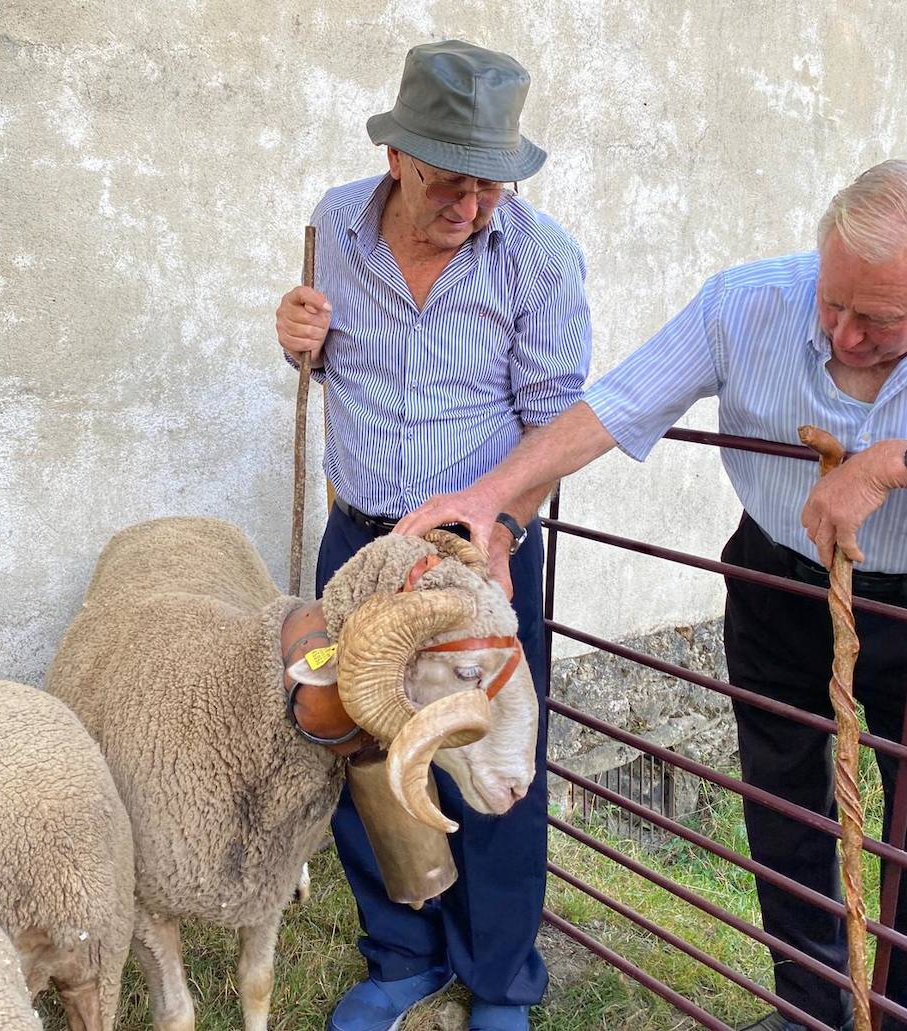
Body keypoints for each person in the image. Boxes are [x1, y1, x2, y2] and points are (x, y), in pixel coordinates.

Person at [395, 159, 907, 1031]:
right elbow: (616, 404)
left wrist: (905, 460)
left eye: (879, 319)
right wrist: (492, 497)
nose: (844, 334)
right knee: (784, 808)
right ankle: (809, 1010)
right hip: (776, 583)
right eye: (833, 302)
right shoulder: (746, 299)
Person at [274, 39, 592, 1031]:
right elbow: (332, 364)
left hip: (473, 561)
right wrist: (300, 343)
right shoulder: (335, 225)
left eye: (491, 184)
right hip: (359, 546)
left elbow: (554, 428)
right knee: (362, 747)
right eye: (451, 181)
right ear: (397, 158)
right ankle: (404, 954)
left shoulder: (539, 259)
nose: (472, 204)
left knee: (491, 760)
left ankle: (499, 979)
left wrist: (503, 528)